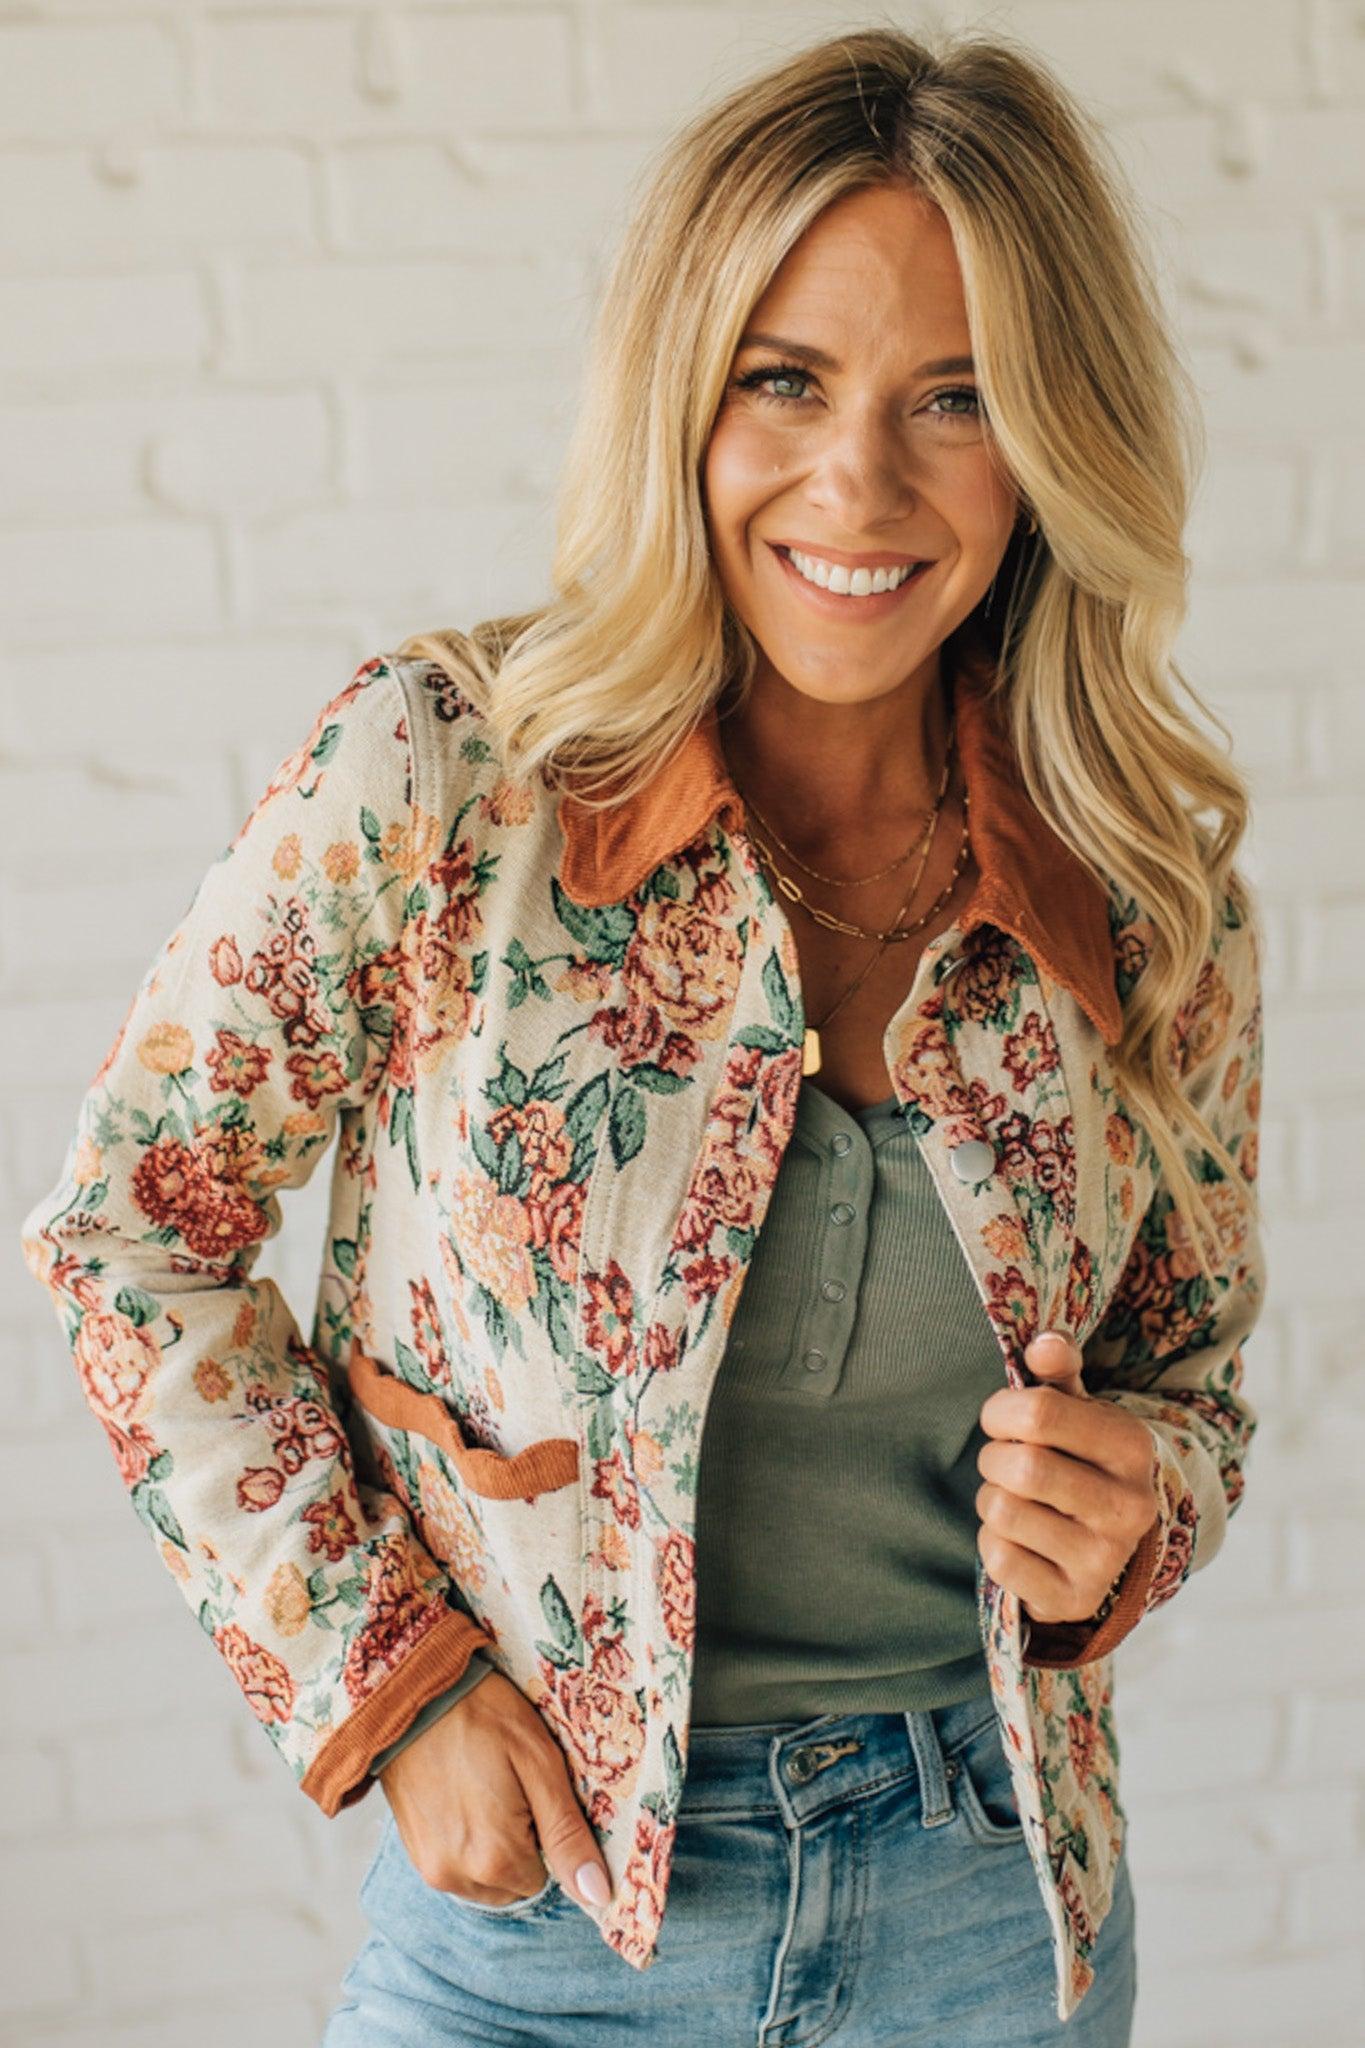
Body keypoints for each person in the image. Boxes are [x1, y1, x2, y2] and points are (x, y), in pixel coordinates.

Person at [19, 24, 1266, 2047]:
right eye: (784, 379)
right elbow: (127, 1230)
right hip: (540, 1924)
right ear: (680, 390)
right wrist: (387, 1683)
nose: (854, 482)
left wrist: (1138, 1509)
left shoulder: (1138, 887)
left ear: (1053, 433)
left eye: (953, 398)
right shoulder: (439, 778)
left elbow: (1188, 1377)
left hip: (986, 1922)